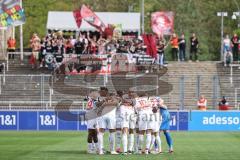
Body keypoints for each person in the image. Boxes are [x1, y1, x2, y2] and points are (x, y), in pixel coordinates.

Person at [97, 87, 119, 155]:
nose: (101, 93)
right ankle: (111, 150)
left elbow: (97, 105)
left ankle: (101, 150)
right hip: (110, 116)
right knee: (111, 132)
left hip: (103, 115)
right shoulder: (114, 98)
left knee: (101, 132)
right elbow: (117, 104)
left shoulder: (102, 98)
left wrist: (104, 103)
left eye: (101, 91)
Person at [118, 90, 136, 155]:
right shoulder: (122, 98)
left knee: (131, 131)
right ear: (128, 93)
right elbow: (119, 104)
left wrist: (124, 102)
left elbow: (133, 103)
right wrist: (125, 102)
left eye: (132, 92)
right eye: (130, 92)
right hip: (124, 115)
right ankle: (125, 150)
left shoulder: (134, 99)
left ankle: (130, 150)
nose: (131, 94)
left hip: (132, 114)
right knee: (125, 131)